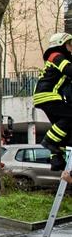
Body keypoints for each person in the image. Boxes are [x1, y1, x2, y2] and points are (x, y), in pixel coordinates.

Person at [33, 32, 72, 170]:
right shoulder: (55, 56)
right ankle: (48, 142)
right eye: (69, 44)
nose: (71, 47)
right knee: (69, 116)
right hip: (48, 95)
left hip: (48, 96)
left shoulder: (58, 58)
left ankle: (56, 159)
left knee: (63, 129)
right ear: (61, 44)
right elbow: (68, 70)